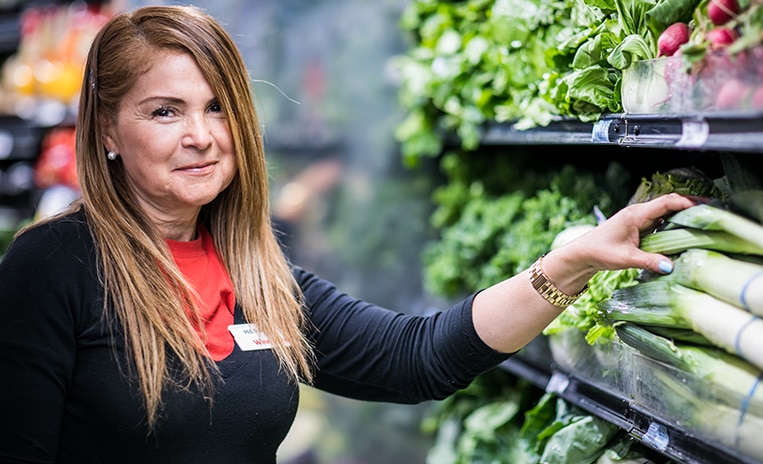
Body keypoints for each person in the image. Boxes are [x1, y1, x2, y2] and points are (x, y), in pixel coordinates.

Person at [0, 5, 697, 464]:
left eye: (218, 108)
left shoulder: (258, 274)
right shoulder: (51, 267)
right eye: (163, 111)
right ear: (106, 131)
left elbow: (414, 357)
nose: (200, 137)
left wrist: (567, 265)